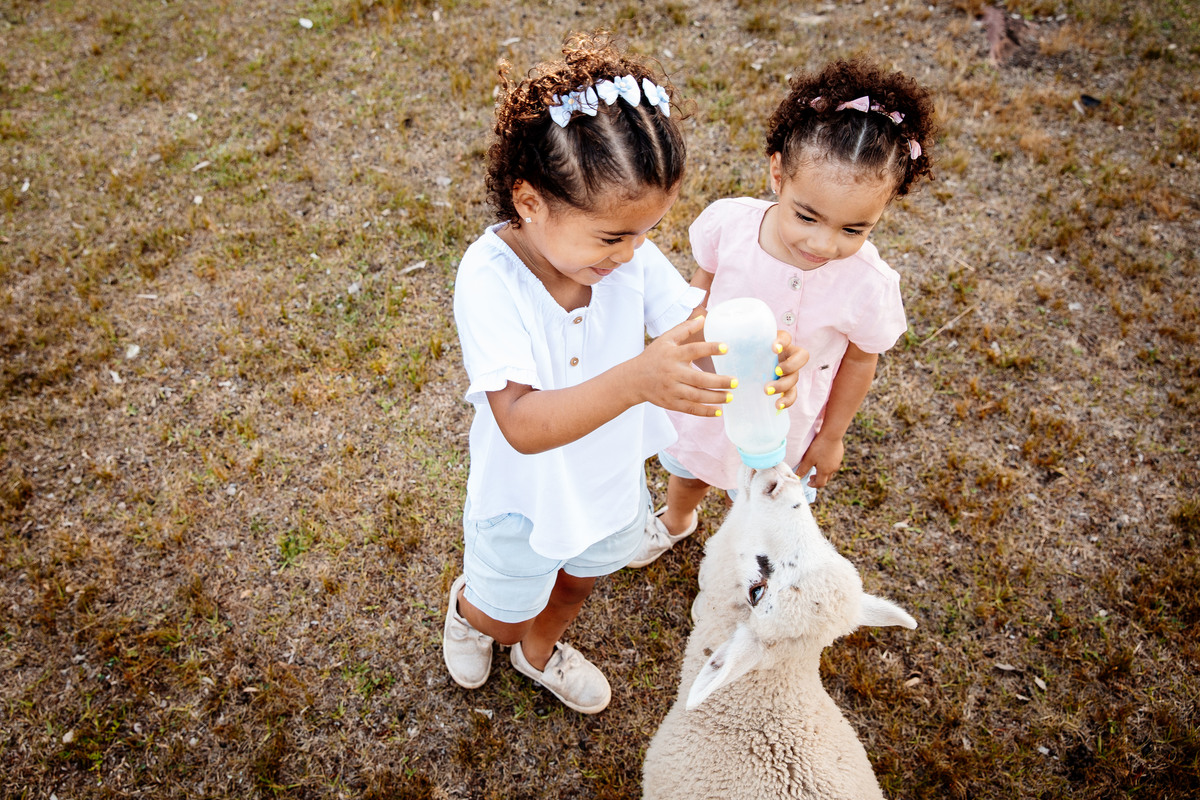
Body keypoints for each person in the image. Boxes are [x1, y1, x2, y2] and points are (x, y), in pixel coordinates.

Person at [444, 32, 806, 714]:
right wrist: (638, 379)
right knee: (504, 607)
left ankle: (539, 651)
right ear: (529, 202)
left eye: (646, 233)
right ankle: (472, 617)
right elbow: (519, 424)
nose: (634, 254)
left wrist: (765, 354)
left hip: (608, 483)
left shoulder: (626, 259)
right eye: (613, 237)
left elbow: (699, 327)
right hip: (521, 501)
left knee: (581, 580)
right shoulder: (489, 279)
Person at [630, 58, 936, 567]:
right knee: (693, 466)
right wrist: (683, 351)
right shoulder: (730, 227)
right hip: (715, 390)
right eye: (807, 216)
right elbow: (697, 297)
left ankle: (746, 563)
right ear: (778, 173)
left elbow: (861, 361)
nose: (824, 243)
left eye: (853, 229)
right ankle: (678, 520)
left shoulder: (869, 283)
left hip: (788, 415)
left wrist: (832, 437)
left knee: (762, 496)